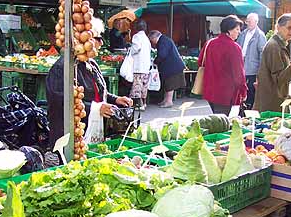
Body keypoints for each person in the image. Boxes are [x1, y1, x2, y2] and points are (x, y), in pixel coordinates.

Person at [46, 18, 133, 147]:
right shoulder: (63, 68)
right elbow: (62, 101)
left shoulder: (90, 63)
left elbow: (98, 92)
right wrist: (96, 108)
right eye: (98, 39)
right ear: (84, 41)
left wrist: (115, 99)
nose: (101, 43)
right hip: (70, 132)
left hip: (90, 128)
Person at [253, 13, 291, 112]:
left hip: (276, 99)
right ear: (278, 27)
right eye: (289, 27)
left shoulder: (281, 44)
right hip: (272, 102)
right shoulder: (274, 46)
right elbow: (278, 78)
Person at [198, 15, 247, 115]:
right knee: (221, 122)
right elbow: (238, 74)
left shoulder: (209, 43)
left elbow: (200, 62)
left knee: (217, 117)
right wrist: (243, 91)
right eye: (237, 29)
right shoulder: (234, 47)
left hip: (210, 89)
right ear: (229, 30)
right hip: (225, 92)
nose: (239, 32)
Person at [148, 30, 186, 108]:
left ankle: (169, 101)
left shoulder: (162, 41)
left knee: (170, 84)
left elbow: (162, 55)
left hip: (172, 67)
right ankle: (165, 100)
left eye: (151, 40)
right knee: (167, 84)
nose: (152, 43)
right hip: (172, 66)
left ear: (154, 37)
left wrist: (155, 61)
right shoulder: (164, 39)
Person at [236, 13, 266, 109]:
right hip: (241, 65)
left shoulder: (260, 35)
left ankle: (249, 110)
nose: (247, 23)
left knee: (250, 92)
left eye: (249, 21)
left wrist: (260, 71)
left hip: (252, 68)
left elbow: (262, 53)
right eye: (247, 21)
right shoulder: (243, 33)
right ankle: (242, 109)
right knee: (241, 90)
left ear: (256, 22)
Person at [129, 19, 152, 110]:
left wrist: (130, 50)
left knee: (137, 86)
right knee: (144, 86)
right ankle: (144, 103)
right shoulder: (146, 38)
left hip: (138, 66)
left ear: (136, 27)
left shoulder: (136, 37)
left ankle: (139, 105)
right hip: (146, 66)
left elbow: (136, 48)